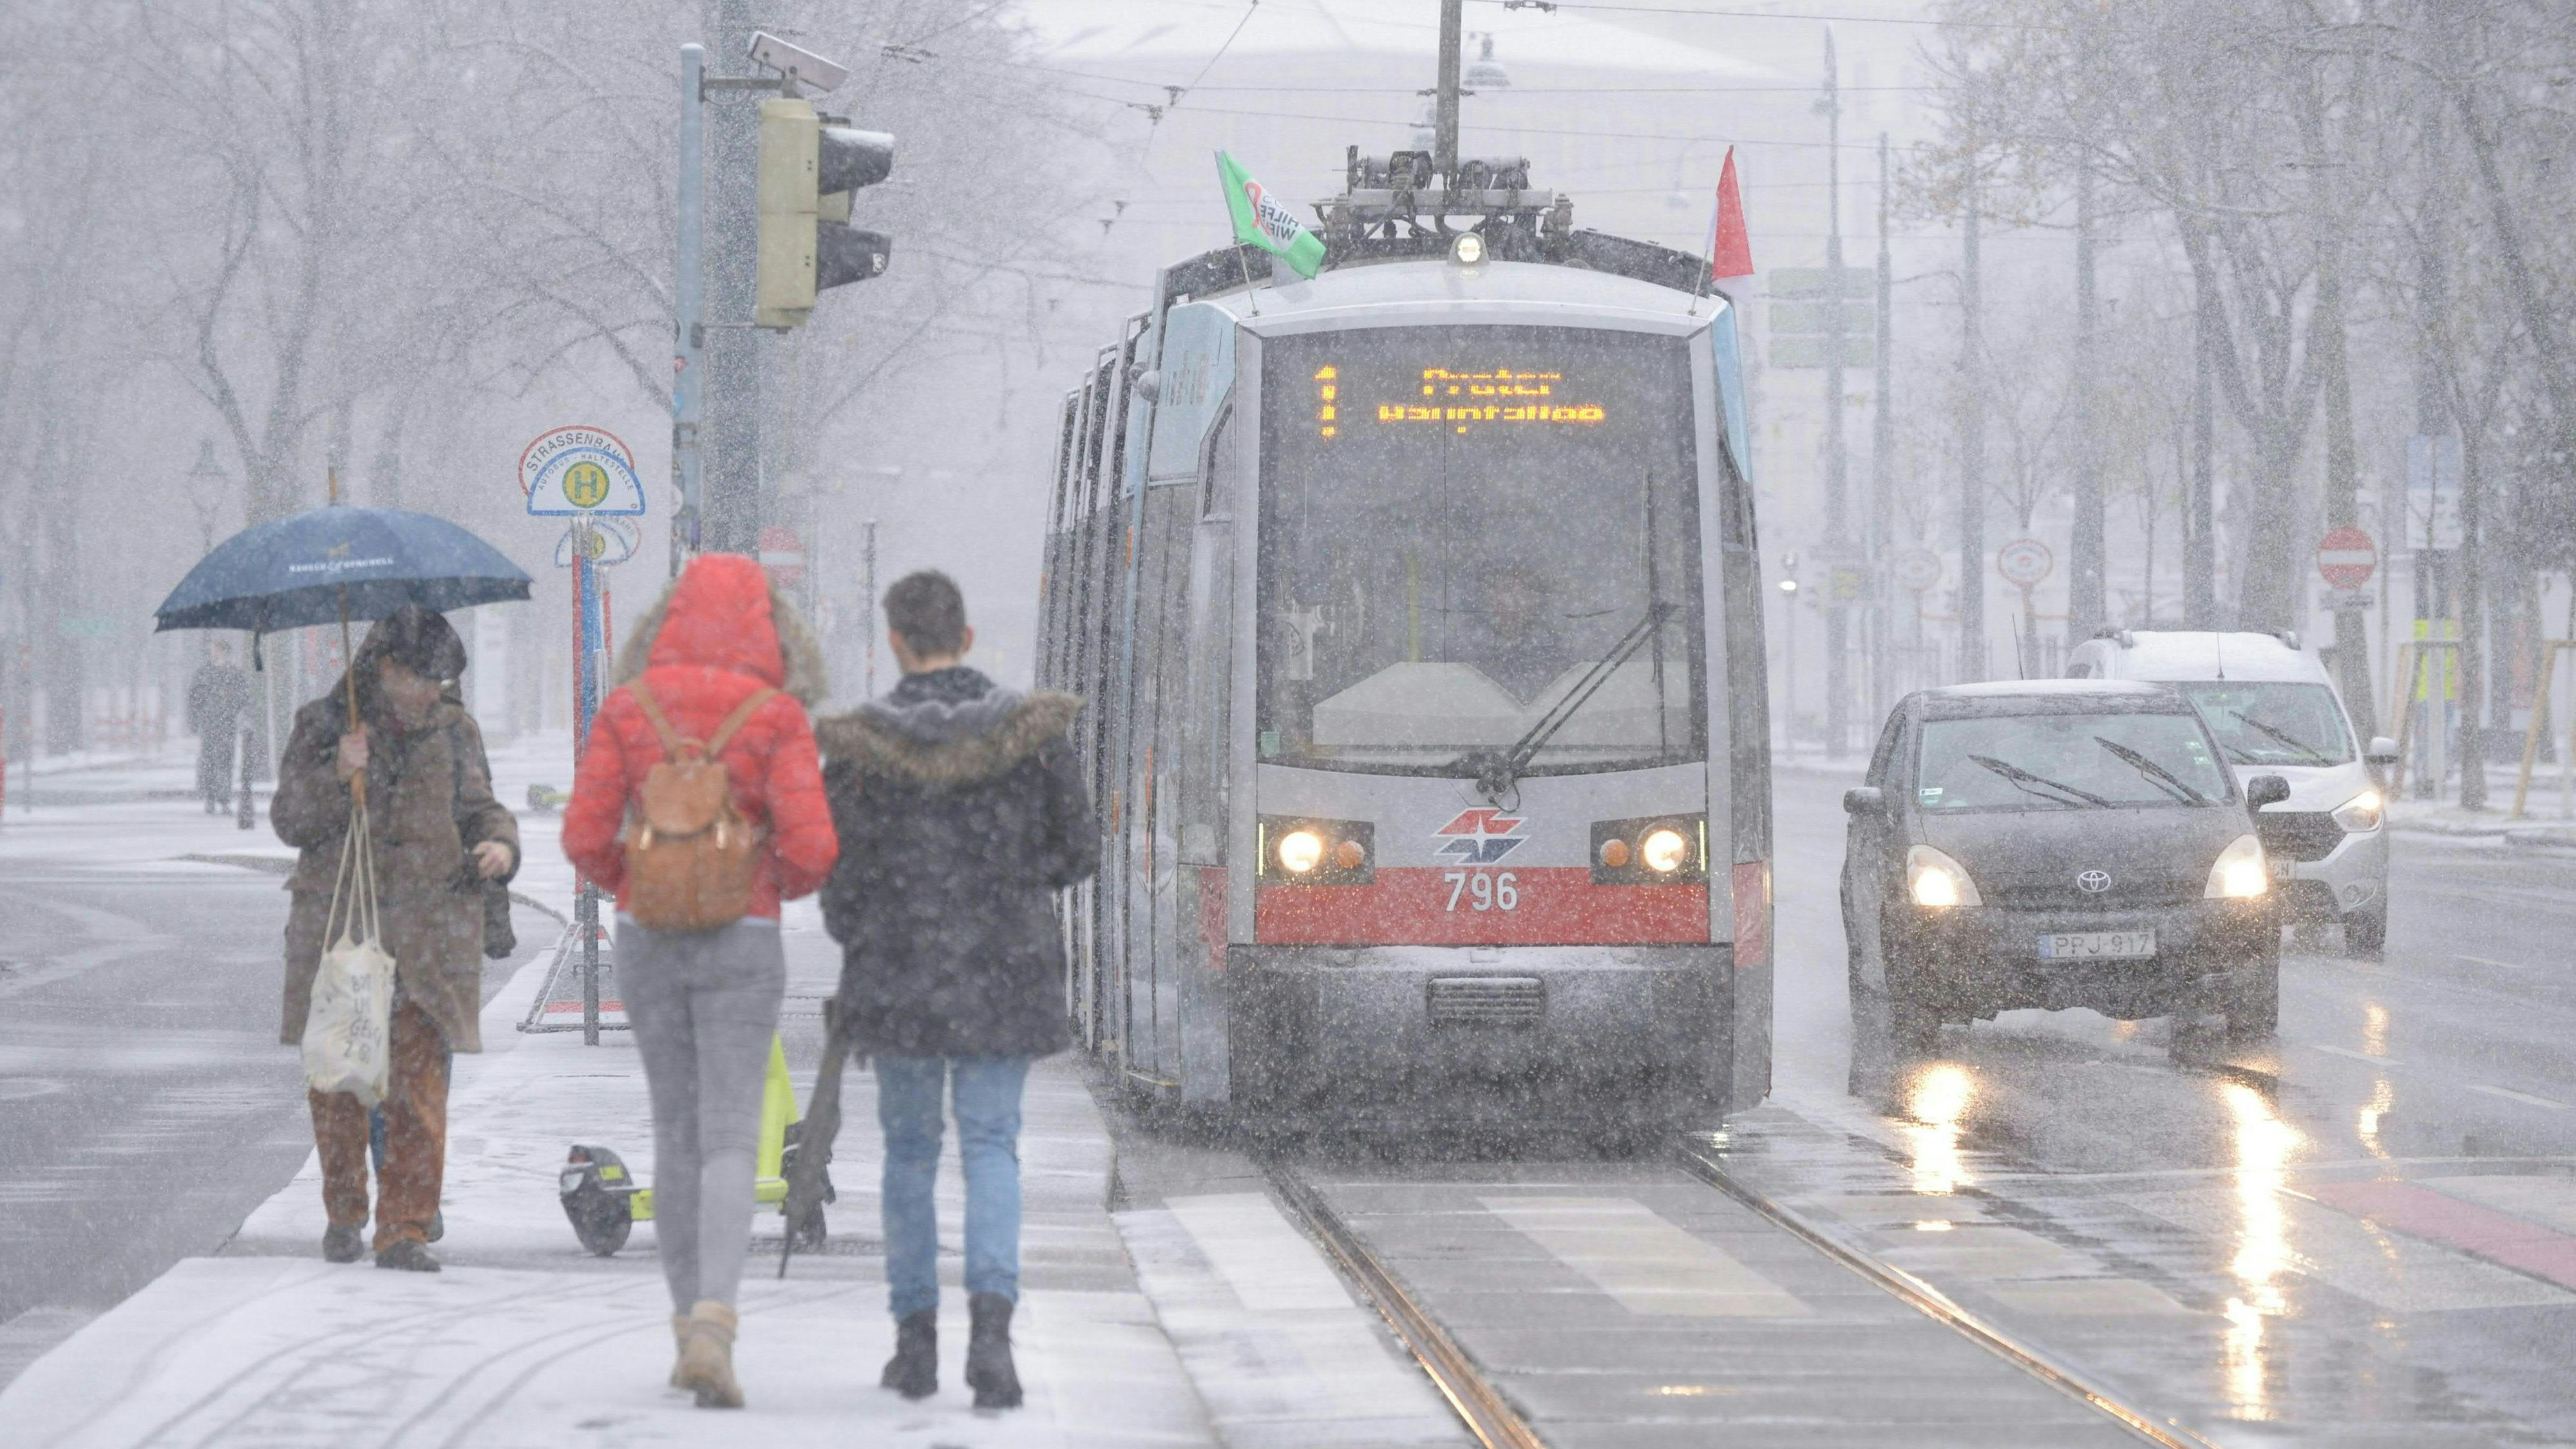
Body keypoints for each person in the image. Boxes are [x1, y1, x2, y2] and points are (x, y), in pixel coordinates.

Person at [817, 570, 1098, 1410]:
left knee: (909, 1154)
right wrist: (1008, 889)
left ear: (897, 642)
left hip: (900, 974)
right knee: (991, 1145)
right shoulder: (1035, 737)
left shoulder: (863, 750)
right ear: (967, 638)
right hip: (1001, 970)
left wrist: (882, 924)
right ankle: (993, 1340)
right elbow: (1078, 850)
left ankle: (914, 1344)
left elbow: (840, 883)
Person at [561, 553, 837, 1410]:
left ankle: (685, 1323)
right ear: (767, 626)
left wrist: (637, 882)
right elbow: (814, 848)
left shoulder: (628, 707)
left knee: (673, 1134)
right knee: (728, 1136)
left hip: (648, 938)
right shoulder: (777, 713)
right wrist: (764, 884)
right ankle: (717, 1323)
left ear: (668, 620)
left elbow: (582, 836)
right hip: (742, 941)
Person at [272, 605, 518, 1272]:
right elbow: (289, 820)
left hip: (429, 934)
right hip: (344, 928)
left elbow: (480, 808)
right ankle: (346, 1211)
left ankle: (404, 1227)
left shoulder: (454, 731)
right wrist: (338, 772)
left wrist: (499, 843)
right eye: (424, 677)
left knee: (419, 1090)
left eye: (442, 679)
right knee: (341, 1083)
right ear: (387, 668)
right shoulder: (326, 726)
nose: (433, 691)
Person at [187, 638, 252, 813]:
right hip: (209, 724)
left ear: (225, 651)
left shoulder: (234, 674)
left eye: (216, 650)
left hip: (226, 724)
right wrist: (194, 721)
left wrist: (230, 704)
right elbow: (194, 699)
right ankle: (210, 796)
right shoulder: (203, 673)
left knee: (225, 760)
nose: (213, 653)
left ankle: (223, 798)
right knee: (208, 760)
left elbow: (243, 697)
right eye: (212, 650)